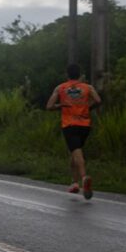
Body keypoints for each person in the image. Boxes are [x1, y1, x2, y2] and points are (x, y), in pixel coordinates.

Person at [46, 63, 102, 199]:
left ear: (67, 74)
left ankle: (84, 178)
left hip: (70, 125)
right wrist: (89, 108)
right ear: (80, 75)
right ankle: (75, 183)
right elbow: (98, 100)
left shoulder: (60, 88)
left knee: (77, 152)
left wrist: (61, 105)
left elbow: (49, 106)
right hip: (85, 125)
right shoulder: (88, 87)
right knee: (74, 153)